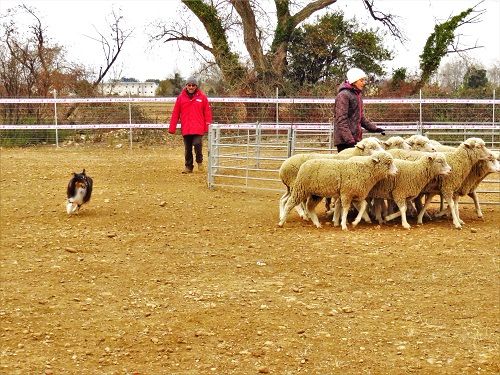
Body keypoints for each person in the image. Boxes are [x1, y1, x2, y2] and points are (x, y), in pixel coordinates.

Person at [334, 67, 385, 153]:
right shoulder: (343, 95)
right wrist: (350, 140)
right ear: (354, 81)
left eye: (364, 80)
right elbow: (341, 120)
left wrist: (375, 128)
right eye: (361, 80)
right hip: (345, 141)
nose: (364, 83)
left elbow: (361, 118)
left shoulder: (357, 95)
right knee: (347, 165)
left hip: (355, 140)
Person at [169, 76, 213, 174]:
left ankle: (199, 161)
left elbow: (207, 112)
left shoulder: (202, 97)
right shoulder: (180, 98)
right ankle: (188, 167)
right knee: (187, 148)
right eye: (189, 85)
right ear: (186, 86)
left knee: (197, 144)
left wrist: (208, 126)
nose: (191, 87)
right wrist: (172, 128)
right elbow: (175, 113)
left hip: (198, 127)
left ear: (196, 86)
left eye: (193, 85)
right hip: (186, 128)